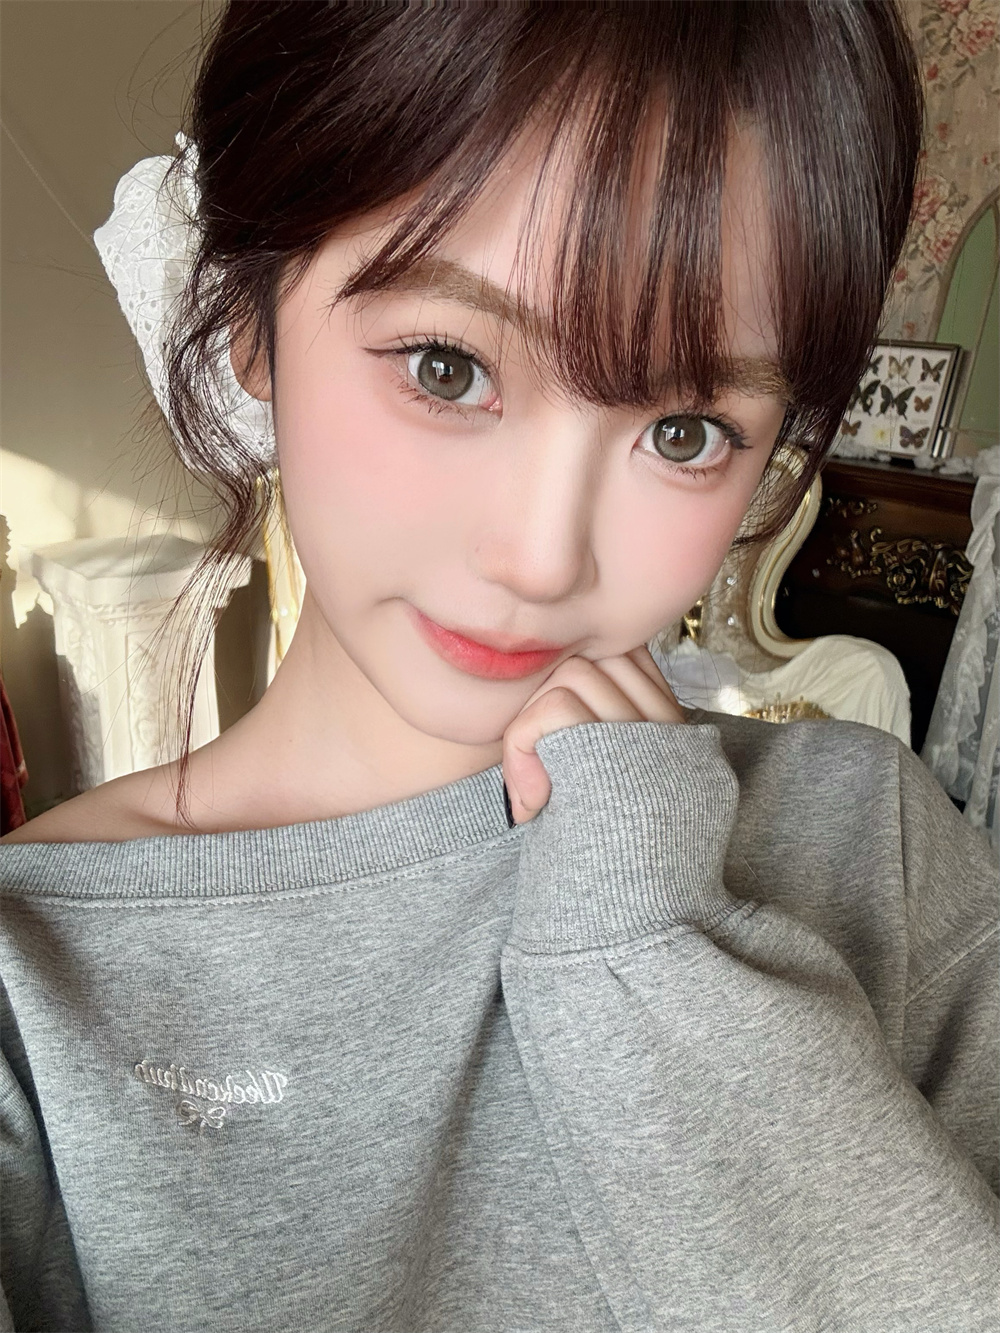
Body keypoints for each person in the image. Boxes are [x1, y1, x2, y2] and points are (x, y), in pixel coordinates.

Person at [1, 2, 996, 1330]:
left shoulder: (872, 842)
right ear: (245, 319)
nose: (540, 558)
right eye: (447, 365)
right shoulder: (31, 991)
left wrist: (654, 957)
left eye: (686, 430)